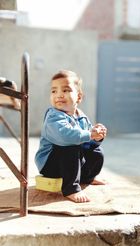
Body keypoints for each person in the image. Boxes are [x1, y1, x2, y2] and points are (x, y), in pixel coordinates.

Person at [35, 70, 107, 203]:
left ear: (79, 97)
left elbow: (86, 141)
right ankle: (70, 189)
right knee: (70, 147)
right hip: (50, 164)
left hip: (71, 162)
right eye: (54, 91)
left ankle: (88, 177)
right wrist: (89, 134)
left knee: (96, 152)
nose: (59, 95)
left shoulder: (81, 116)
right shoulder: (53, 116)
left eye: (66, 90)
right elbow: (65, 136)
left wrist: (96, 137)